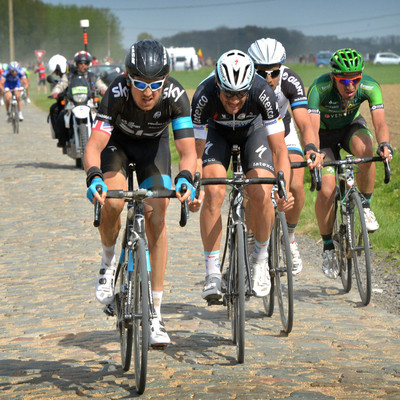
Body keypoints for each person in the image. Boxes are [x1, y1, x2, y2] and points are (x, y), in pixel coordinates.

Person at [84, 39, 197, 348]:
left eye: (156, 84)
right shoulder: (116, 93)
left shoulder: (175, 96)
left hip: (153, 150)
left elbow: (187, 152)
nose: (148, 92)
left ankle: (155, 314)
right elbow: (93, 147)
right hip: (117, 147)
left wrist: (187, 177)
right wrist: (94, 178)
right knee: (114, 200)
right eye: (140, 84)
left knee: (157, 213)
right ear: (127, 77)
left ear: (166, 79)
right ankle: (108, 263)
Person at [190, 49, 294, 301]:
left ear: (250, 86)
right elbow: (194, 152)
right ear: (218, 84)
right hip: (217, 133)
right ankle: (213, 273)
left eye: (241, 94)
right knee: (214, 192)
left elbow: (280, 149)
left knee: (261, 191)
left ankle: (259, 260)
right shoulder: (203, 96)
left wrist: (284, 189)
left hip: (252, 132)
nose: (235, 100)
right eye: (228, 94)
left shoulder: (263, 92)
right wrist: (195, 187)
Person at [307, 48, 393, 279]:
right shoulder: (319, 88)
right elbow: (311, 129)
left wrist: (384, 144)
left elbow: (380, 122)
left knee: (366, 150)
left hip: (350, 127)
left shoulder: (370, 87)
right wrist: (314, 151)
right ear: (333, 77)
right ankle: (327, 247)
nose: (350, 86)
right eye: (344, 80)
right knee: (327, 190)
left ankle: (365, 206)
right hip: (323, 136)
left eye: (355, 79)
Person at [248, 38, 323, 275]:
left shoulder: (290, 80)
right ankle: (250, 237)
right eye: (261, 72)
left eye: (274, 72)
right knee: (253, 190)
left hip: (283, 130)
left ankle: (288, 237)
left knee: (296, 185)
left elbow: (304, 122)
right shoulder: (242, 82)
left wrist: (311, 147)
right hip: (251, 131)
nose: (268, 78)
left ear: (281, 67)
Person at [51, 50, 107, 148]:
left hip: (90, 103)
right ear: (76, 64)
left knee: (105, 116)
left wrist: (103, 90)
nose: (83, 65)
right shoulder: (69, 76)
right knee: (61, 117)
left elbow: (101, 85)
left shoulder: (92, 76)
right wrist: (56, 91)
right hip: (73, 103)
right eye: (80, 63)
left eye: (85, 63)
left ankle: (106, 140)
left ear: (88, 64)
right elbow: (61, 85)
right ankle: (63, 140)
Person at [47, 54, 68, 135]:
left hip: (80, 98)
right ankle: (59, 135)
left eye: (57, 71)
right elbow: (60, 85)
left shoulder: (73, 72)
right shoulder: (63, 77)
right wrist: (55, 92)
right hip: (67, 99)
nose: (56, 74)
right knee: (54, 109)